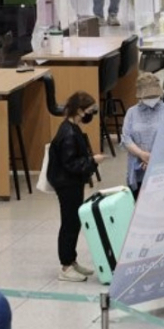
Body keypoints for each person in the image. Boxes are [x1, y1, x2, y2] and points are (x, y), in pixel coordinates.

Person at [47, 91, 107, 282]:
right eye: (90, 111)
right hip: (67, 184)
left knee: (74, 222)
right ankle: (65, 266)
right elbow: (71, 164)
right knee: (69, 223)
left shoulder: (71, 127)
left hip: (71, 182)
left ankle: (71, 260)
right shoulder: (69, 134)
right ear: (80, 111)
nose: (92, 114)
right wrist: (93, 161)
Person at [121, 72, 164, 196]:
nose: (151, 100)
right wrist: (141, 154)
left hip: (161, 169)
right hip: (137, 168)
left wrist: (154, 158)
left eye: (154, 96)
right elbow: (126, 138)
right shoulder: (132, 113)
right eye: (148, 97)